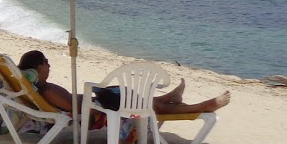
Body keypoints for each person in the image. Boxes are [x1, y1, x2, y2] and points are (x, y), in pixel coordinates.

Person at [15, 50, 231, 119]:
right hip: (97, 112)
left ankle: (168, 98)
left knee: (133, 98)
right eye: (46, 62)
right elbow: (77, 110)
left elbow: (75, 103)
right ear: (36, 68)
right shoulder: (48, 90)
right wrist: (100, 99)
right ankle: (201, 106)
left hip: (96, 103)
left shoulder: (44, 89)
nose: (49, 65)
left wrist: (99, 95)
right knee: (141, 105)